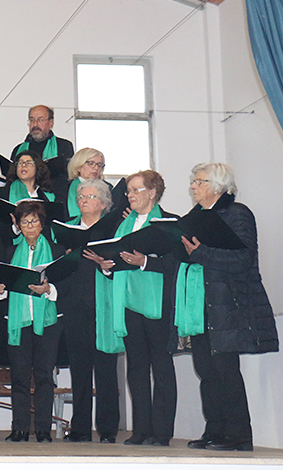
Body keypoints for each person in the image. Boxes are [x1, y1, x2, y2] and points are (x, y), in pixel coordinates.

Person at [181, 163, 278, 451]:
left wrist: (202, 253)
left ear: (217, 186)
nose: (193, 187)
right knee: (206, 372)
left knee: (226, 371)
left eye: (198, 182)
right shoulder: (194, 217)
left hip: (229, 304)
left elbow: (243, 259)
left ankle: (239, 435)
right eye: (193, 181)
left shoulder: (237, 214)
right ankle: (215, 431)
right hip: (201, 304)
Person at [88, 170, 178, 447]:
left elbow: (174, 265)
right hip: (128, 302)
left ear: (152, 192)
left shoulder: (169, 222)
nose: (130, 195)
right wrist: (106, 267)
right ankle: (141, 429)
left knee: (161, 366)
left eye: (136, 190)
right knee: (136, 367)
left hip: (157, 302)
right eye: (128, 191)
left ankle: (161, 432)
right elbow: (117, 259)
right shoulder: (123, 226)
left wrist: (144, 262)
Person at [0, 200, 64, 443]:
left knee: (44, 375)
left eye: (34, 221)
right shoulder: (10, 252)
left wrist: (49, 289)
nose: (30, 226)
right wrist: (0, 289)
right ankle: (20, 428)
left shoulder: (56, 251)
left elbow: (65, 286)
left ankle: (43, 428)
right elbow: (3, 288)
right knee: (19, 377)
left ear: (42, 224)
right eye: (24, 221)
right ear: (18, 225)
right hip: (18, 321)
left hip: (47, 321)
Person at [56, 179, 120, 443]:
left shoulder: (114, 230)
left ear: (104, 204)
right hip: (74, 306)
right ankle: (80, 429)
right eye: (81, 195)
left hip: (104, 305)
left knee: (106, 369)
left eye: (90, 196)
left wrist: (105, 264)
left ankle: (107, 429)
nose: (83, 199)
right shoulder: (66, 229)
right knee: (79, 370)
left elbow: (120, 268)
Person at [10, 105, 74, 182]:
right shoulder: (18, 150)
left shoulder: (64, 146)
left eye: (40, 120)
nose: (35, 124)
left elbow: (68, 175)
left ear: (51, 123)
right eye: (32, 120)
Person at [57, 147, 107, 220]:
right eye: (91, 163)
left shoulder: (108, 188)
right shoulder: (64, 187)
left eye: (99, 165)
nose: (96, 168)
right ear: (78, 166)